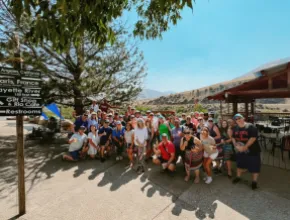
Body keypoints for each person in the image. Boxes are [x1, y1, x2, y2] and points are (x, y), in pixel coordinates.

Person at [231, 114, 261, 190]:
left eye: (239, 118)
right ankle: (238, 177)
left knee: (254, 167)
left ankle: (254, 182)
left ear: (243, 118)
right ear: (235, 121)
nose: (238, 120)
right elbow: (233, 138)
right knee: (239, 165)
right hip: (240, 151)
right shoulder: (235, 128)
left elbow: (253, 138)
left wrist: (245, 147)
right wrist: (236, 146)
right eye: (236, 119)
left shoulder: (251, 126)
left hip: (253, 151)